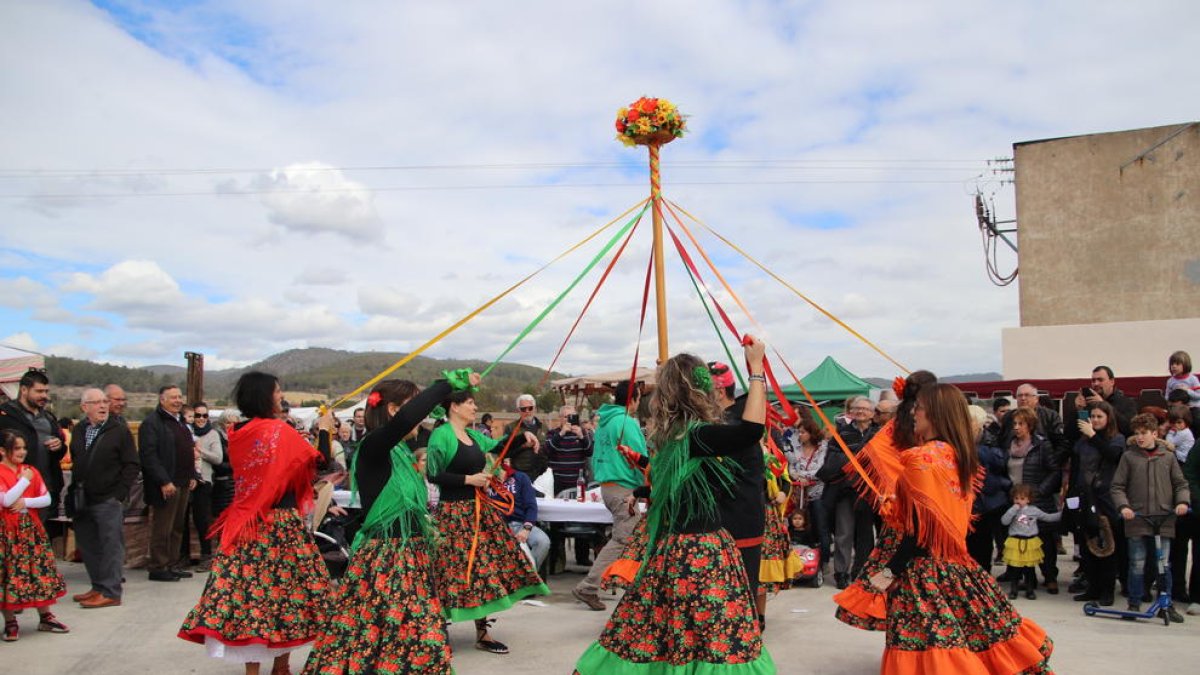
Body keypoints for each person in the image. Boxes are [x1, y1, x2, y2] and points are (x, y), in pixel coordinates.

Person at [574, 338, 775, 674]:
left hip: (672, 550)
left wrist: (639, 489)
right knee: (714, 638)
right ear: (700, 391)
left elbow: (673, 485)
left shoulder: (672, 435)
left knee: (659, 631)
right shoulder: (698, 436)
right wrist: (756, 370)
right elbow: (752, 430)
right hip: (700, 555)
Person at [866, 383, 1053, 673]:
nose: (914, 412)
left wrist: (890, 570)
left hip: (924, 571)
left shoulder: (923, 459)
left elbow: (921, 530)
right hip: (958, 565)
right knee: (974, 641)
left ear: (937, 415)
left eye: (920, 408)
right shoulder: (956, 454)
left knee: (930, 652)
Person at [304, 371, 474, 674]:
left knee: (417, 639)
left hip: (410, 557)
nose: (419, 420)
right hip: (384, 561)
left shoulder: (399, 452)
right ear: (395, 411)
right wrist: (447, 385)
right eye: (410, 408)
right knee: (374, 641)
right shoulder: (374, 448)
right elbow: (410, 416)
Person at [178, 372, 334, 675]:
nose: (281, 396)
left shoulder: (239, 432)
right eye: (276, 391)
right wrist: (325, 432)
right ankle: (281, 668)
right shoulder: (279, 431)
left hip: (246, 522)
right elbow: (320, 461)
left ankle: (256, 670)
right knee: (289, 593)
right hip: (278, 524)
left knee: (251, 598)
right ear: (265, 396)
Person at [426, 387, 549, 654]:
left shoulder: (472, 435)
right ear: (454, 407)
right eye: (470, 403)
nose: (474, 407)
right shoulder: (441, 435)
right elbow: (433, 473)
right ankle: (437, 629)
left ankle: (482, 633)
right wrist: (468, 480)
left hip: (477, 511)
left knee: (484, 569)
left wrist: (521, 437)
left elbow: (497, 447)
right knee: (450, 570)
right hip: (452, 514)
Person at [833, 370, 937, 633]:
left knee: (898, 581)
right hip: (929, 514)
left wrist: (892, 491)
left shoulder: (895, 425)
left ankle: (905, 637)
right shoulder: (930, 422)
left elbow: (875, 453)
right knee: (929, 583)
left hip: (900, 513)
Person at [573, 380, 647, 611]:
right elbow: (640, 456)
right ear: (633, 399)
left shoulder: (605, 422)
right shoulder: (627, 422)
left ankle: (634, 584)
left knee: (631, 537)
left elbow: (595, 456)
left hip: (608, 484)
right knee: (622, 539)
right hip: (624, 487)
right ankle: (589, 586)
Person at [1110, 413, 1190, 621]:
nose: (1140, 437)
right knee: (1137, 561)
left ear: (1154, 433)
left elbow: (1180, 484)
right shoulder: (1129, 457)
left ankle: (1166, 603)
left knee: (1164, 564)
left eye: (1144, 433)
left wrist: (1182, 502)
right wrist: (1124, 506)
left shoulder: (1168, 457)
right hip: (1137, 517)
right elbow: (1117, 486)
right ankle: (1134, 602)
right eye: (1136, 433)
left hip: (1163, 517)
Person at [67, 389, 139, 609]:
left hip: (108, 498)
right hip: (83, 497)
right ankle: (98, 586)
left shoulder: (119, 430)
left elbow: (132, 464)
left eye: (104, 401)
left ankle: (111, 592)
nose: (102, 406)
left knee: (110, 546)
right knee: (88, 544)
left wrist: (119, 494)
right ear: (84, 407)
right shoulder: (79, 430)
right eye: (96, 402)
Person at [708, 361, 767, 615]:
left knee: (738, 597)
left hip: (737, 520)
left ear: (719, 392)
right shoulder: (725, 422)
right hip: (724, 521)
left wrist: (755, 367)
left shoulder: (736, 426)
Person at [0, 430, 69, 642]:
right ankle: (10, 620)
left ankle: (45, 616)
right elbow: (5, 500)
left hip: (30, 529)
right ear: (3, 451)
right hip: (7, 532)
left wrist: (26, 502)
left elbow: (45, 498)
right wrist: (24, 482)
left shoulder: (30, 470)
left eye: (23, 448)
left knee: (39, 570)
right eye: (17, 448)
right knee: (10, 573)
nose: (22, 452)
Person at [1067, 400, 1125, 606]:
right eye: (1092, 417)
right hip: (1083, 496)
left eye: (1100, 416)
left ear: (1108, 418)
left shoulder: (1117, 439)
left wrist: (1093, 436)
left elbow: (1114, 456)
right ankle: (1092, 588)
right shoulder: (1082, 442)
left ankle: (1107, 591)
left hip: (1105, 498)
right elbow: (1075, 468)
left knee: (1107, 546)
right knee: (1086, 544)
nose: (1095, 420)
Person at [817, 395, 879, 588]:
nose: (860, 412)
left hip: (869, 493)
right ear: (851, 412)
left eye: (865, 409)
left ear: (872, 414)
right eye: (857, 408)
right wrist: (854, 460)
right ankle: (841, 573)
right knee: (844, 532)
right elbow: (832, 460)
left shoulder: (879, 434)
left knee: (866, 534)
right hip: (846, 490)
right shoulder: (841, 434)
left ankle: (861, 570)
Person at [1005, 406, 1061, 594]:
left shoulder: (1041, 445)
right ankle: (1027, 579)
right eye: (1014, 423)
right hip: (1016, 501)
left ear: (1030, 425)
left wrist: (1040, 491)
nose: (1016, 427)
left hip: (1037, 499)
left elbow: (1054, 471)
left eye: (1021, 423)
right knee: (1020, 540)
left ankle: (1050, 576)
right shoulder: (1009, 444)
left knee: (1044, 541)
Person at [0, 369, 66, 522]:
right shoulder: (5, 415)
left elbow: (60, 452)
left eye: (46, 391)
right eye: (39, 391)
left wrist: (59, 446)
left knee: (44, 539)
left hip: (45, 488)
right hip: (13, 490)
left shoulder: (49, 418)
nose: (44, 396)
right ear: (24, 390)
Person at [966, 404, 1013, 571]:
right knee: (969, 543)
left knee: (983, 542)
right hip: (968, 501)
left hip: (987, 501)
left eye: (969, 421)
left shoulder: (990, 440)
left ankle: (983, 576)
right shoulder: (961, 441)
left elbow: (1001, 463)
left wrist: (976, 452)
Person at [1000, 484, 1063, 600]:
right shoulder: (1012, 510)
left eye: (1022, 499)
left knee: (1029, 568)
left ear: (1029, 499)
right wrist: (1013, 510)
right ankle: (1014, 589)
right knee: (1015, 568)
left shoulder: (1034, 510)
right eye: (1016, 498)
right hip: (1016, 541)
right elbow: (1004, 521)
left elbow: (1047, 517)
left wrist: (1063, 514)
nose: (1019, 501)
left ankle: (1030, 589)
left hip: (1030, 541)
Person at [494, 456, 550, 571]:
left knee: (543, 541)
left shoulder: (520, 477)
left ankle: (528, 576)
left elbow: (531, 506)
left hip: (520, 523)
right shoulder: (485, 480)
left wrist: (526, 528)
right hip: (496, 526)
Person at [787, 414, 828, 566]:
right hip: (799, 494)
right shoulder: (795, 448)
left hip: (818, 492)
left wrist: (805, 477)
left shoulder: (822, 447)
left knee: (819, 526)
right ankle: (798, 559)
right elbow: (791, 466)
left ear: (811, 433)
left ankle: (823, 561)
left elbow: (821, 468)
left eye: (803, 432)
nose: (800, 435)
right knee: (797, 525)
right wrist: (798, 478)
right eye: (798, 432)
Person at [190, 401, 222, 571]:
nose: (201, 419)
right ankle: (184, 555)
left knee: (202, 520)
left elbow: (218, 458)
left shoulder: (212, 435)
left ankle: (206, 555)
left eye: (204, 415)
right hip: (186, 479)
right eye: (198, 415)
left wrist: (199, 451)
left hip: (204, 481)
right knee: (182, 521)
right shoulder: (186, 431)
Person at [1072, 366, 1137, 438]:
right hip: (1091, 444)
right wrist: (1079, 410)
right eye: (1093, 380)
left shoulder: (1127, 403)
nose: (1096, 384)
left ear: (1112, 382)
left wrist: (1104, 405)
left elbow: (1129, 429)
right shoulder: (1089, 403)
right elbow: (1076, 433)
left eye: (1100, 380)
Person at [546, 404, 594, 497]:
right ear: (560, 418)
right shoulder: (553, 433)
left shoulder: (583, 432)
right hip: (558, 483)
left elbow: (590, 452)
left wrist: (581, 436)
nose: (569, 419)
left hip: (578, 483)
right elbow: (547, 450)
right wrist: (561, 434)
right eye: (566, 417)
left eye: (572, 416)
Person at [502, 394, 547, 479]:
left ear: (535, 409)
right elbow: (504, 452)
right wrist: (523, 446)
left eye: (530, 408)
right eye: (523, 409)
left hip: (541, 476)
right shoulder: (511, 428)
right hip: (520, 475)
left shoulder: (544, 427)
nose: (527, 411)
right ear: (518, 410)